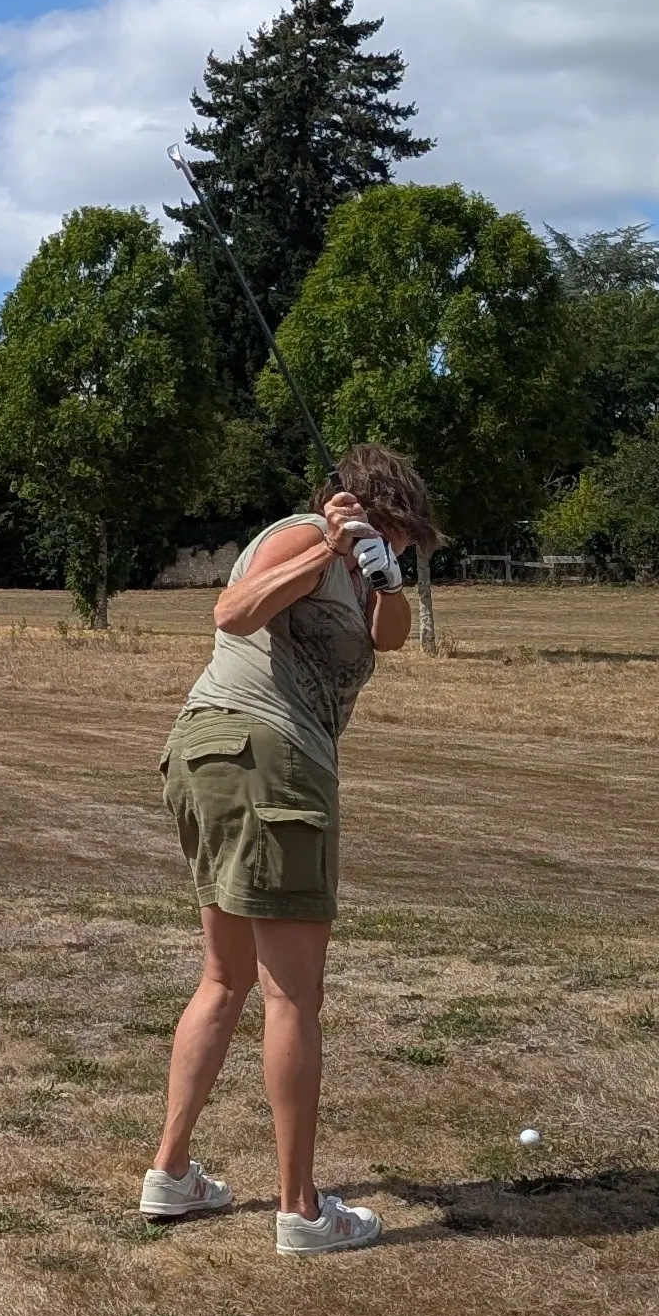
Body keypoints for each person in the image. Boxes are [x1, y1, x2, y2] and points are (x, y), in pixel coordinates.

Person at [137, 443, 437, 1255]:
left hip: (217, 758)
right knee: (290, 995)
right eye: (405, 534)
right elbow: (232, 613)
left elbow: (395, 638)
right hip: (267, 760)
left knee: (226, 976)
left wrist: (384, 575)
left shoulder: (369, 568)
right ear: (383, 508)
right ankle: (301, 1212)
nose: (407, 548)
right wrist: (331, 545)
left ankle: (170, 1175)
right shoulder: (304, 533)